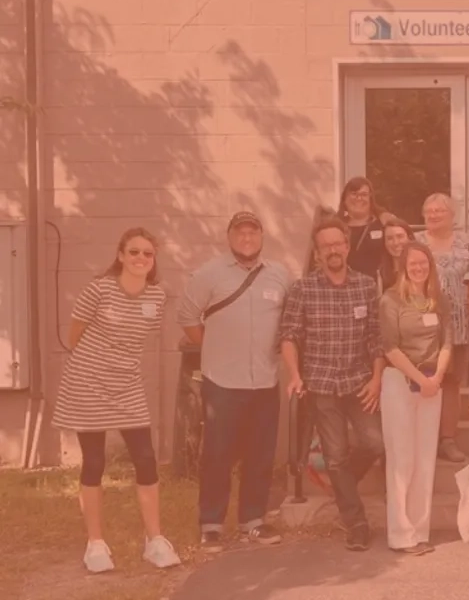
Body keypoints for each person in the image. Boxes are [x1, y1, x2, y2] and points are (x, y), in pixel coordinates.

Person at [52, 227, 181, 573]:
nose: (141, 258)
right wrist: (97, 365)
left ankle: (154, 541)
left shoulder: (157, 297)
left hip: (127, 385)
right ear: (121, 255)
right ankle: (96, 544)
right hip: (88, 381)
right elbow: (74, 334)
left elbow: (141, 338)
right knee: (94, 462)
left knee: (146, 459)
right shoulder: (99, 288)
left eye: (148, 254)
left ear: (154, 261)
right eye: (134, 252)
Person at [178, 211, 292, 552]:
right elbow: (186, 317)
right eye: (240, 232)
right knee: (218, 455)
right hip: (223, 382)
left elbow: (290, 320)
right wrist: (212, 346)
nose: (247, 238)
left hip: (265, 382)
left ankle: (252, 521)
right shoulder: (208, 274)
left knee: (260, 455)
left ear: (261, 237)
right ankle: (211, 524)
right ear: (229, 237)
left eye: (253, 232)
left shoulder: (280, 275)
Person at [279, 218, 386, 551]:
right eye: (326, 246)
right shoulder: (303, 288)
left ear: (347, 245)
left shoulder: (366, 286)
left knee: (375, 443)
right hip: (321, 384)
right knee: (336, 456)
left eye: (338, 243)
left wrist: (377, 378)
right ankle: (356, 523)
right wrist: (294, 374)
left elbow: (376, 338)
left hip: (358, 381)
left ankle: (343, 488)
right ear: (317, 252)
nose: (333, 250)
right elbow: (289, 335)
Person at [378, 241, 453, 554]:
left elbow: (448, 343)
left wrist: (436, 378)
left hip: (431, 385)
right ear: (403, 265)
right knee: (402, 459)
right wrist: (421, 379)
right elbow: (390, 348)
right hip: (401, 383)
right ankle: (401, 533)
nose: (419, 267)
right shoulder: (391, 299)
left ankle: (420, 531)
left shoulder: (438, 299)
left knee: (424, 459)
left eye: (424, 262)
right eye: (413, 263)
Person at [416, 192, 469, 463]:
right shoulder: (415, 243)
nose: (433, 215)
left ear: (452, 215)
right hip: (423, 324)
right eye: (429, 211)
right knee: (424, 381)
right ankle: (423, 440)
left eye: (439, 211)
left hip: (459, 324)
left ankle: (447, 440)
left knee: (451, 383)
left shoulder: (468, 242)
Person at [337, 176, 394, 279]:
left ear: (370, 198)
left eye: (364, 194)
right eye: (354, 194)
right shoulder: (336, 226)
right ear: (344, 198)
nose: (359, 198)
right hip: (345, 285)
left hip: (378, 286)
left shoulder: (384, 222)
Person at [379, 218, 416, 292]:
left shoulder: (421, 268)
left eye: (400, 236)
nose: (395, 243)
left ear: (410, 238)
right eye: (390, 238)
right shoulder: (380, 274)